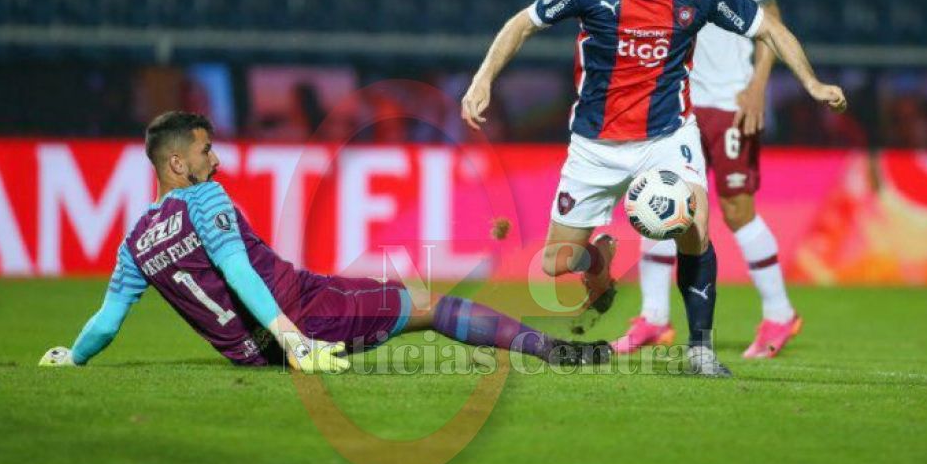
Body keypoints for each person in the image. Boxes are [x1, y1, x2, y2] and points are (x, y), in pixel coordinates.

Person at [462, 0, 846, 377]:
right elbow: (522, 24)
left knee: (695, 229)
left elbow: (768, 28)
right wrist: (482, 80)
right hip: (595, 146)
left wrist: (812, 82)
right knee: (556, 263)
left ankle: (700, 349)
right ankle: (597, 262)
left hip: (667, 136)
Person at [38, 112, 610, 371]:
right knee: (432, 305)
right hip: (300, 314)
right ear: (177, 164)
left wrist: (73, 357)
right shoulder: (204, 198)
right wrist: (294, 339)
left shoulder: (135, 242)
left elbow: (107, 323)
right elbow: (238, 272)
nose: (216, 159)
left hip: (251, 347)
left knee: (388, 293)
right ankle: (554, 352)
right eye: (205, 150)